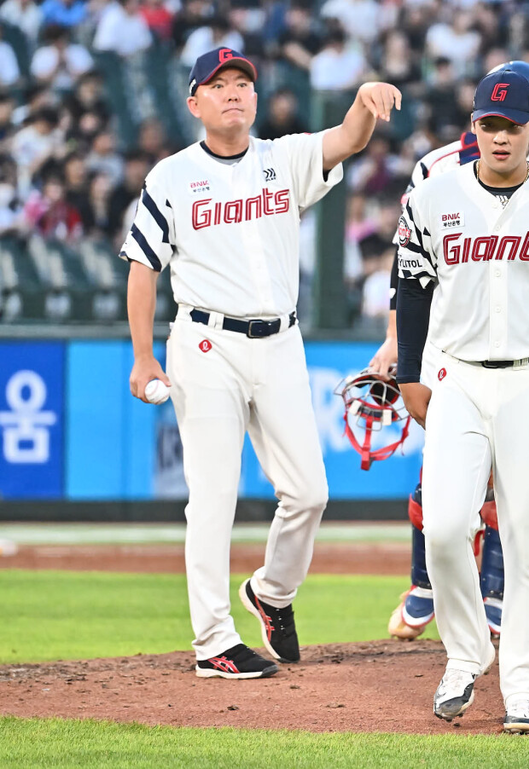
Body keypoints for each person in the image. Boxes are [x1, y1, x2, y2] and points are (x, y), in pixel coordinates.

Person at [122, 46, 400, 679]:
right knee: (213, 497)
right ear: (194, 103)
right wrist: (143, 356)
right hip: (205, 343)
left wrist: (363, 102)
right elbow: (143, 268)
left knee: (309, 491)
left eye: (242, 82)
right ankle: (213, 641)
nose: (233, 93)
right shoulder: (171, 175)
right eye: (218, 85)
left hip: (279, 343)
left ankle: (271, 592)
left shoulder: (282, 157)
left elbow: (345, 141)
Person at [395, 69, 529, 733]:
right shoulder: (436, 196)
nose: (498, 137)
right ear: (474, 127)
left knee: (526, 537)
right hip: (457, 376)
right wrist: (411, 372)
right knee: (442, 526)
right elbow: (411, 285)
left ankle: (523, 687)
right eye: (488, 125)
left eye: (511, 126)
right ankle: (466, 653)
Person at [368, 60, 529, 644]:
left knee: (508, 482)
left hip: (526, 344)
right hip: (448, 339)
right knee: (443, 473)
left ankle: (495, 589)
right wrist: (395, 343)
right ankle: (426, 582)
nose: (528, 116)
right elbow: (407, 271)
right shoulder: (435, 169)